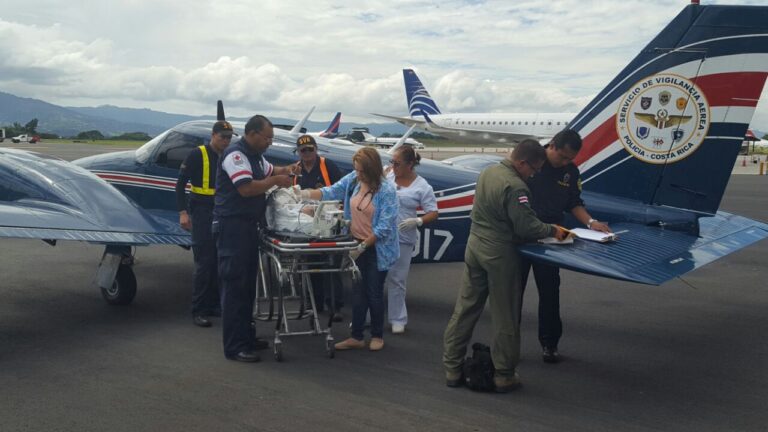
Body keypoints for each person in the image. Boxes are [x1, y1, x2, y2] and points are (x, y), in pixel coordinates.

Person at [442, 140, 568, 392]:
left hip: (475, 246)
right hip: (499, 254)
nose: (533, 174)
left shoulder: (488, 172)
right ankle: (504, 374)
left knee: (465, 308)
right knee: (505, 315)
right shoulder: (515, 187)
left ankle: (452, 368)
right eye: (533, 169)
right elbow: (526, 227)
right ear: (522, 163)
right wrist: (553, 230)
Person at [521, 129, 611, 363]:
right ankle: (508, 345)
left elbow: (574, 203)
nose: (565, 162)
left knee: (550, 293)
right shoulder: (530, 162)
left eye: (570, 159)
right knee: (512, 293)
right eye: (562, 157)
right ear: (551, 146)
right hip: (521, 236)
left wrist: (591, 222)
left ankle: (550, 345)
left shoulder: (570, 172)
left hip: (551, 239)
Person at [214, 115, 299, 363]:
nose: (269, 143)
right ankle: (234, 346)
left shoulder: (255, 156)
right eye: (267, 138)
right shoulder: (236, 155)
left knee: (247, 288)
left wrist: (289, 169)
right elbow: (247, 188)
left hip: (248, 228)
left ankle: (246, 337)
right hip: (233, 228)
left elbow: (272, 170)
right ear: (252, 134)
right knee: (235, 288)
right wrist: (275, 181)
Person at [298, 147, 399, 351]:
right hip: (355, 243)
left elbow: (385, 227)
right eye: (357, 170)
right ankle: (357, 335)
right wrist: (305, 193)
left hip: (375, 248)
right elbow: (331, 191)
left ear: (371, 169)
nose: (358, 174)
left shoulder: (387, 191)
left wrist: (363, 246)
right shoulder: (354, 180)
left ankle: (377, 335)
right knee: (358, 293)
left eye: (362, 171)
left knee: (374, 292)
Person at [175, 120, 233, 328]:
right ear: (213, 135)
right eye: (222, 137)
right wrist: (183, 213)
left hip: (221, 213)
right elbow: (180, 185)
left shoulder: (228, 155)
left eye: (228, 138)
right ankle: (199, 310)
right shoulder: (196, 154)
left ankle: (214, 305)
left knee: (219, 260)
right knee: (204, 262)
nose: (226, 141)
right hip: (201, 212)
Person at [383, 146, 438, 334]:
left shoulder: (422, 186)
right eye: (392, 162)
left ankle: (398, 318)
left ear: (410, 165)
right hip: (381, 233)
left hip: (403, 236)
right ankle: (367, 317)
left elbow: (433, 212)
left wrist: (418, 220)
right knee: (374, 277)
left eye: (397, 163)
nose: (393, 166)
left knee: (397, 279)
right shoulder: (388, 174)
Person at [293, 134, 344, 322]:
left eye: (310, 149)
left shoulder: (327, 165)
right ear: (299, 152)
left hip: (328, 217)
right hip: (307, 220)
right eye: (303, 150)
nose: (307, 153)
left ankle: (335, 305)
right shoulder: (296, 169)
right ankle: (313, 301)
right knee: (309, 261)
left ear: (316, 149)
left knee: (332, 262)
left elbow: (340, 188)